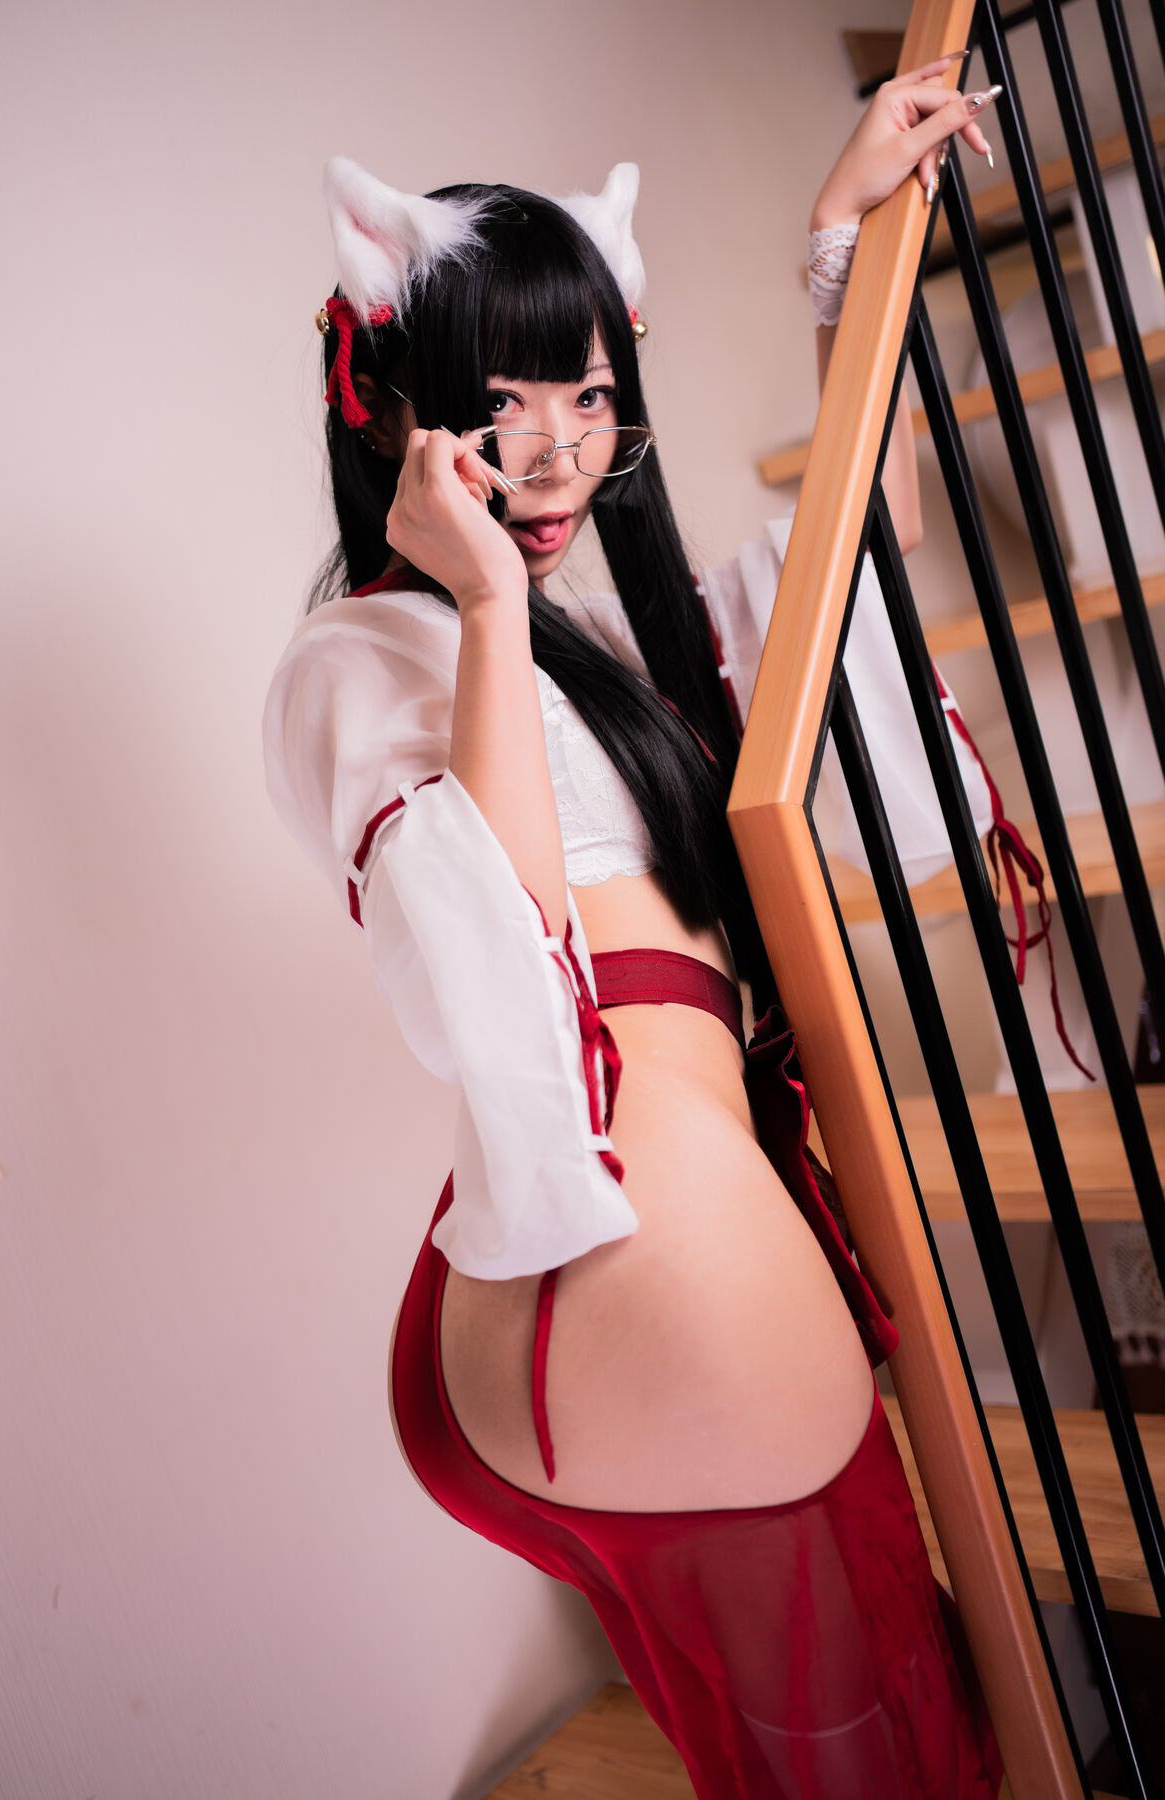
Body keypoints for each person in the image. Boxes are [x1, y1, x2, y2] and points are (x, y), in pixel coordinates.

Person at [264, 59, 1005, 1800]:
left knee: (851, 1731)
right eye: (501, 404)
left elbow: (855, 558)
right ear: (394, 411)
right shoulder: (364, 660)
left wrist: (841, 248)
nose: (556, 451)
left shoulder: (622, 645)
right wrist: (486, 601)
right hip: (611, 1243)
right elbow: (507, 941)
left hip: (665, 1254)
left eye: (591, 397)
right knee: (860, 1755)